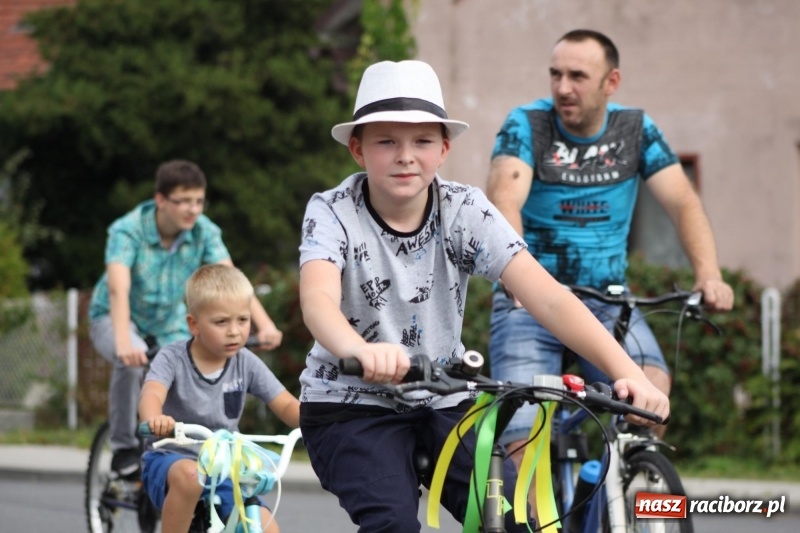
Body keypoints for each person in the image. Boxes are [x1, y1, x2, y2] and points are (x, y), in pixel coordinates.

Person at [297, 59, 668, 533]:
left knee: (513, 522)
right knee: (393, 524)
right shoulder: (332, 211)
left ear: (444, 148)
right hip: (350, 406)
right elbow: (318, 301)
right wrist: (361, 351)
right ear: (358, 148)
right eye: (386, 141)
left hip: (443, 397)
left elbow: (550, 299)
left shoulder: (464, 209)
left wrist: (629, 374)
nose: (405, 156)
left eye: (423, 141)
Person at [486, 28, 734, 465]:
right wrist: (518, 277)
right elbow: (506, 198)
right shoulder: (527, 124)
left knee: (651, 389)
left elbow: (682, 202)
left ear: (611, 82)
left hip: (607, 302)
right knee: (522, 447)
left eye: (578, 76)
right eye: (555, 74)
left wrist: (709, 274)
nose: (563, 88)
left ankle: (620, 488)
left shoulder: (634, 130)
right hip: (531, 300)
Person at [88, 159, 284, 478]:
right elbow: (117, 288)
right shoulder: (128, 230)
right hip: (115, 316)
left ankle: (174, 448)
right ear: (161, 200)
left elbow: (232, 277)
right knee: (132, 361)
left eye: (199, 201)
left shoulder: (204, 231)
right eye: (184, 202)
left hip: (168, 322)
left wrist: (265, 325)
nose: (193, 210)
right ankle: (124, 448)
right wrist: (124, 341)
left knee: (188, 361)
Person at [138, 264, 300, 533]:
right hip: (171, 457)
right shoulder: (172, 358)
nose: (234, 331)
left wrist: (319, 419)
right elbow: (152, 392)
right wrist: (154, 417)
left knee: (267, 528)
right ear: (194, 325)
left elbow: (284, 403)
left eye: (243, 320)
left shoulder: (246, 362)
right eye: (221, 322)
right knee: (191, 477)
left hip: (225, 466)